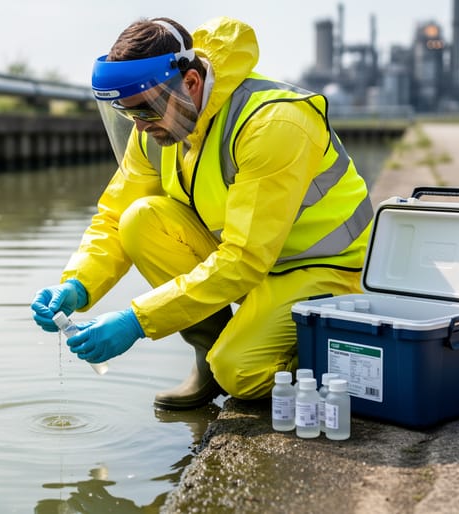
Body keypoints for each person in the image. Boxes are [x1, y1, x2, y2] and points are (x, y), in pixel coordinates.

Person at [31, 16, 373, 410]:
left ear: (191, 83)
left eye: (145, 111)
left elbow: (244, 259)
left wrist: (138, 321)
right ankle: (209, 359)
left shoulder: (272, 124)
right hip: (252, 268)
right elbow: (114, 215)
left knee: (241, 372)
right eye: (129, 116)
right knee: (141, 219)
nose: (139, 128)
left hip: (325, 270)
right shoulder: (161, 126)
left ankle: (327, 354)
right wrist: (77, 285)